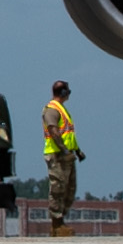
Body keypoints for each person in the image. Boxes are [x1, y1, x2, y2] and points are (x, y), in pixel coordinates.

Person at [40, 80, 83, 235]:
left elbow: (68, 134)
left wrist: (77, 151)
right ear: (63, 93)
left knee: (69, 189)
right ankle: (56, 224)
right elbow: (54, 131)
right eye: (68, 92)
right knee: (58, 189)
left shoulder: (63, 110)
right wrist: (63, 150)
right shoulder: (51, 110)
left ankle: (61, 221)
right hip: (57, 156)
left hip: (67, 156)